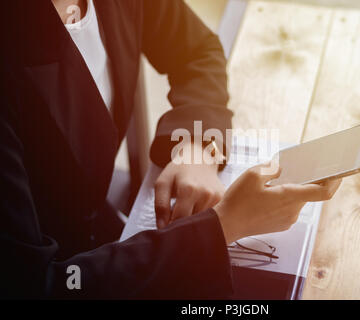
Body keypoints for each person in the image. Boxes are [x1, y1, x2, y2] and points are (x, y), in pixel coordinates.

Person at [0, 0, 341, 299]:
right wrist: (220, 228)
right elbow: (34, 285)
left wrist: (195, 143)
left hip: (103, 232)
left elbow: (196, 51)